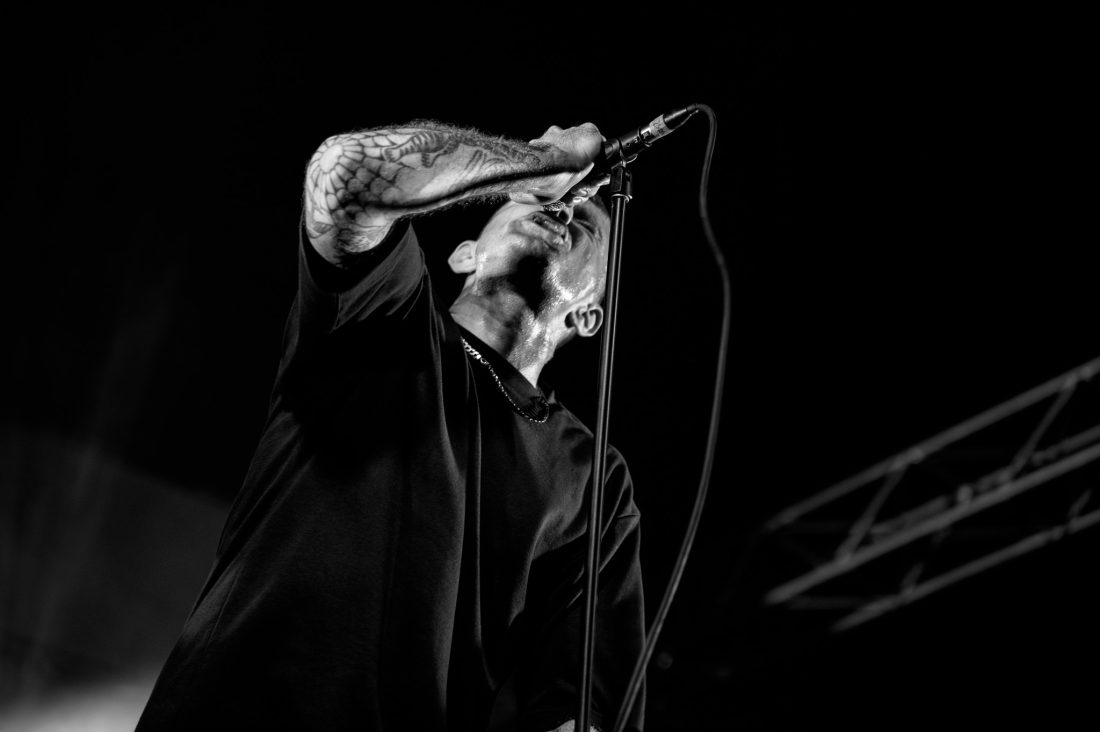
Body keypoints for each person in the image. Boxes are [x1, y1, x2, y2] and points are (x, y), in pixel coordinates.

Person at [136, 119, 646, 732]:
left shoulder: (592, 476)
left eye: (587, 220)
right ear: (464, 254)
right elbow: (343, 170)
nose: (563, 207)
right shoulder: (384, 316)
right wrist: (541, 164)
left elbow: (583, 706)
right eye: (540, 201)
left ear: (591, 316)